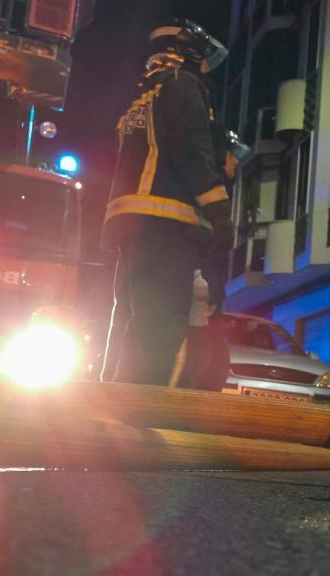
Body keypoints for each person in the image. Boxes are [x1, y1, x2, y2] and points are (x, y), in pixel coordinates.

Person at [100, 19, 233, 386]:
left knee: (130, 321)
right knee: (160, 326)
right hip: (167, 224)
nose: (204, 66)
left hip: (132, 224)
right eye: (201, 57)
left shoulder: (140, 97)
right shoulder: (183, 85)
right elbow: (193, 150)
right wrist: (219, 211)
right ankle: (142, 408)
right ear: (186, 52)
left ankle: (113, 399)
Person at [178, 130, 250, 391]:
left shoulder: (218, 194)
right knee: (199, 370)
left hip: (207, 310)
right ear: (219, 155)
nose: (236, 162)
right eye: (232, 155)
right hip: (197, 310)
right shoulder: (203, 195)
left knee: (213, 368)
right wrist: (201, 288)